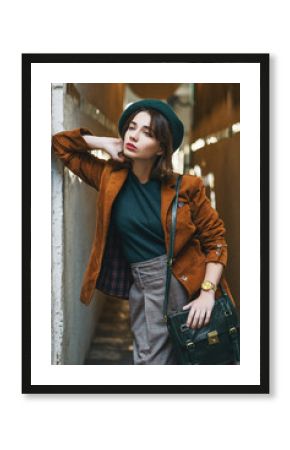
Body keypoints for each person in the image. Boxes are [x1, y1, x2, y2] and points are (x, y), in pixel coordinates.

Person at [52, 98, 235, 365]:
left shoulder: (187, 187)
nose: (134, 136)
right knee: (153, 360)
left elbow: (216, 240)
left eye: (146, 133)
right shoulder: (109, 178)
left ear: (161, 147)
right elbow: (61, 145)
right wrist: (104, 142)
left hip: (188, 281)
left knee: (193, 359)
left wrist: (208, 292)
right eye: (131, 127)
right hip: (145, 284)